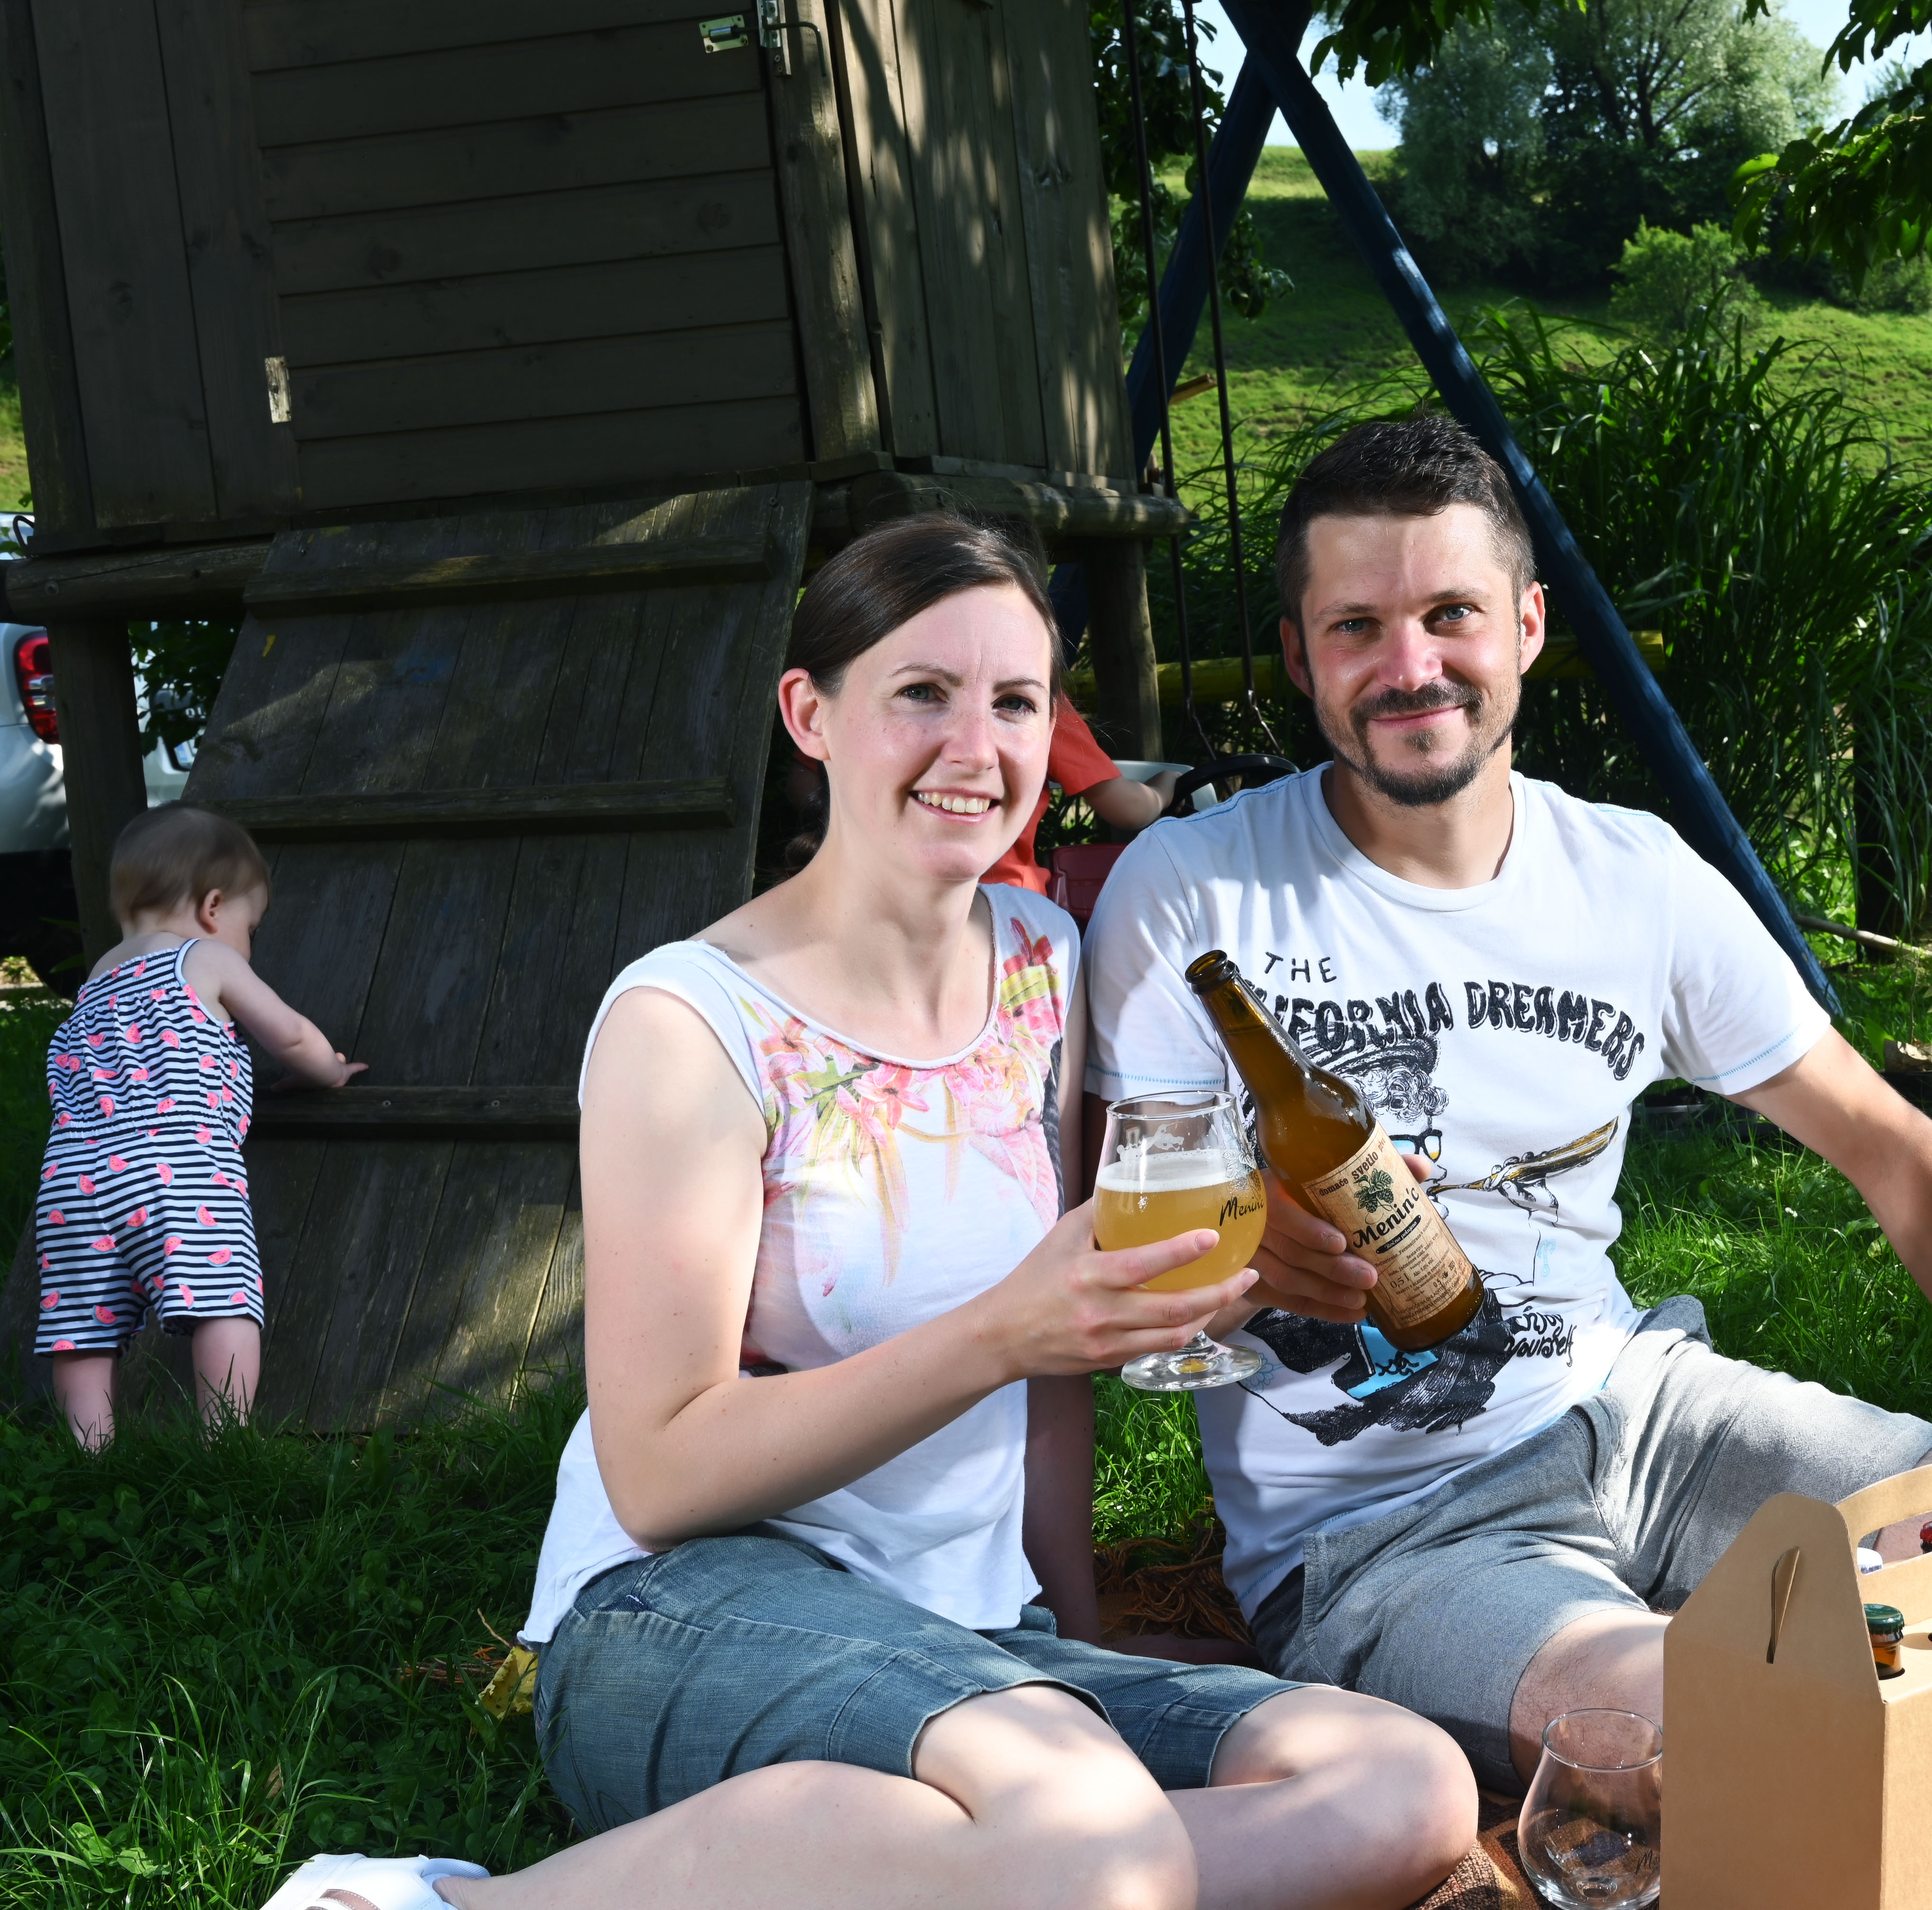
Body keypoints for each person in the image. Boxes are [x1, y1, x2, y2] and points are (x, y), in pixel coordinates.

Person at [264, 514, 1471, 1910]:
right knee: (1090, 1829)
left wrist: (1074, 1632)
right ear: (811, 714)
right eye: (923, 693)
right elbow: (659, 1470)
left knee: (1401, 1784)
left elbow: (1056, 1370)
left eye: (1016, 701)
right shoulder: (689, 1021)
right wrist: (1003, 1331)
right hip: (690, 1602)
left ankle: (947, 1866)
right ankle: (420, 1903)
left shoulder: (1042, 963)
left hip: (970, 1636)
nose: (978, 746)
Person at [1081, 417, 1932, 1798]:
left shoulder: (1633, 876)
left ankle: (1785, 1675)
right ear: (1301, 659)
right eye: (1357, 626)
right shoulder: (1192, 892)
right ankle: (1727, 1689)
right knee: (1705, 1740)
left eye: (1450, 614)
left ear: (1528, 627)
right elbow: (1120, 1252)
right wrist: (1246, 1264)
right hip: (1388, 1525)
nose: (1410, 665)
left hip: (1649, 1414)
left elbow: (1895, 1155)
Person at [35, 803, 363, 1447]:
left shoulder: (95, 983)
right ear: (214, 908)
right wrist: (330, 1070)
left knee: (82, 1330)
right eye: (251, 926)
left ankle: (89, 1454)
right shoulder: (204, 957)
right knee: (223, 1298)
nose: (250, 941)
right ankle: (224, 1442)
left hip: (71, 1182)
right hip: (176, 1165)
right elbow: (291, 1036)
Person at [980, 700, 1178, 897]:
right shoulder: (1041, 696)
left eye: (1013, 704)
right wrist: (1162, 792)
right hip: (1010, 899)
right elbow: (1132, 808)